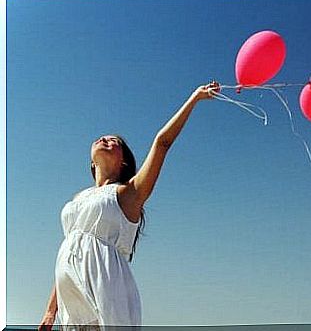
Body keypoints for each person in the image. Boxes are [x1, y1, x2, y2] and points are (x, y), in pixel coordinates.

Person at [38, 81, 221, 331]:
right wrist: (50, 310)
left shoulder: (128, 194)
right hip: (72, 299)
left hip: (106, 290)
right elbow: (70, 251)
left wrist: (194, 98)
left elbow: (162, 142)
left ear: (123, 162)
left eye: (114, 142)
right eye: (102, 138)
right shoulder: (78, 198)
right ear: (92, 164)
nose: (105, 139)